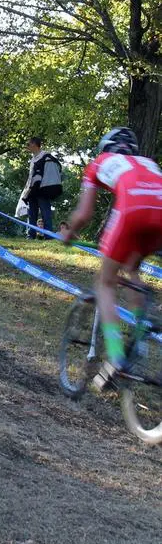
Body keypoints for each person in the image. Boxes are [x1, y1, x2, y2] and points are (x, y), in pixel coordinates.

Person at [62, 127, 162, 388]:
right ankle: (140, 335)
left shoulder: (99, 163)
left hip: (133, 210)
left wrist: (69, 233)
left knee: (105, 282)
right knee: (131, 267)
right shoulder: (149, 163)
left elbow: (84, 214)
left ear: (106, 147)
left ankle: (116, 355)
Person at [22, 137, 62, 238]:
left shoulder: (46, 156)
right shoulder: (32, 160)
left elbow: (52, 171)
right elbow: (31, 177)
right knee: (32, 214)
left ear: (34, 145)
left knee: (46, 213)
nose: (27, 147)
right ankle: (31, 235)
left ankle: (48, 236)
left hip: (43, 190)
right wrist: (27, 191)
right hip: (33, 190)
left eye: (28, 144)